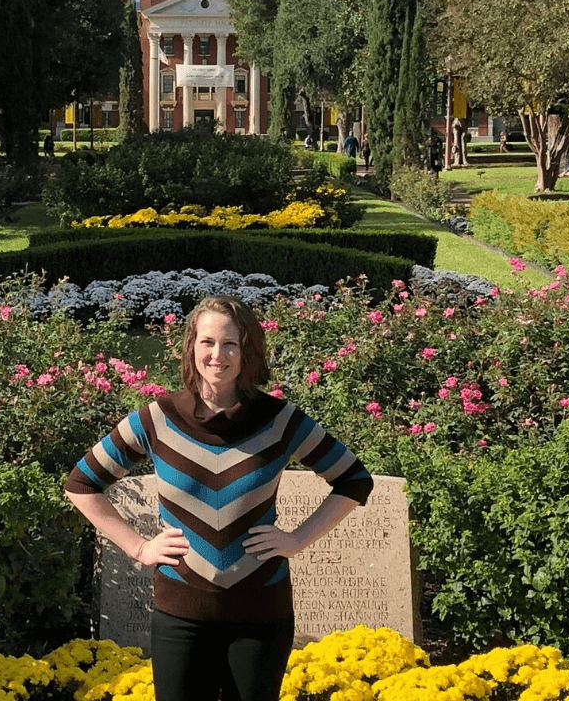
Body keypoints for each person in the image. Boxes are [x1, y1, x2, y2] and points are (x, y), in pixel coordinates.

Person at [65, 296, 372, 701]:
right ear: (191, 347)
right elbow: (81, 484)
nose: (217, 355)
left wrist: (297, 539)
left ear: (248, 351)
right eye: (207, 341)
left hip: (261, 615)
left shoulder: (281, 421)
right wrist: (138, 546)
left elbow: (353, 480)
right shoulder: (155, 419)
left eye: (231, 343)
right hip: (180, 615)